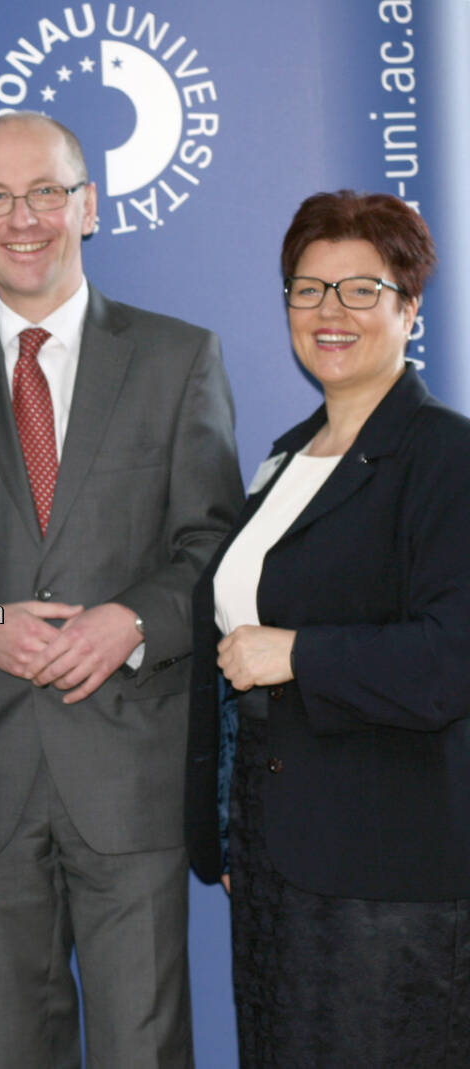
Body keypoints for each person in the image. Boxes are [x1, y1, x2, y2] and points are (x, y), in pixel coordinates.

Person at [0, 111, 242, 1067]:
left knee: (145, 1048)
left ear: (88, 206)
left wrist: (132, 621)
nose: (24, 219)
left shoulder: (179, 358)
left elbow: (218, 545)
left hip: (132, 777)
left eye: (46, 192)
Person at [185, 190, 470, 1066]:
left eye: (360, 289)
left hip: (386, 868)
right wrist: (224, 823)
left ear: (409, 307)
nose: (329, 312)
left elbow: (451, 657)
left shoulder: (445, 453)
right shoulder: (286, 454)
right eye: (308, 290)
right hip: (273, 852)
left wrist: (298, 654)